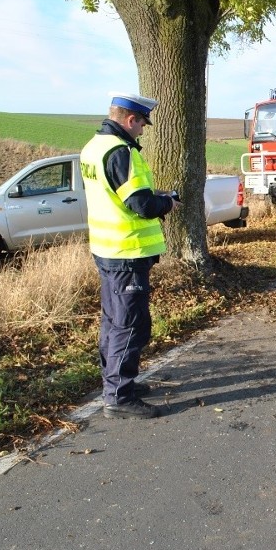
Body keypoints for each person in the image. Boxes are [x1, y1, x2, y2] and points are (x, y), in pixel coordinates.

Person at [80, 91, 180, 420]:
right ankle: (119, 396)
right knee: (130, 324)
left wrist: (154, 196)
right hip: (126, 251)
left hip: (107, 249)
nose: (142, 131)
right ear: (130, 120)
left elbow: (116, 195)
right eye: (141, 125)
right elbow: (140, 205)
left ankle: (118, 382)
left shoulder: (93, 147)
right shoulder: (121, 152)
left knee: (113, 321)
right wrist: (167, 202)